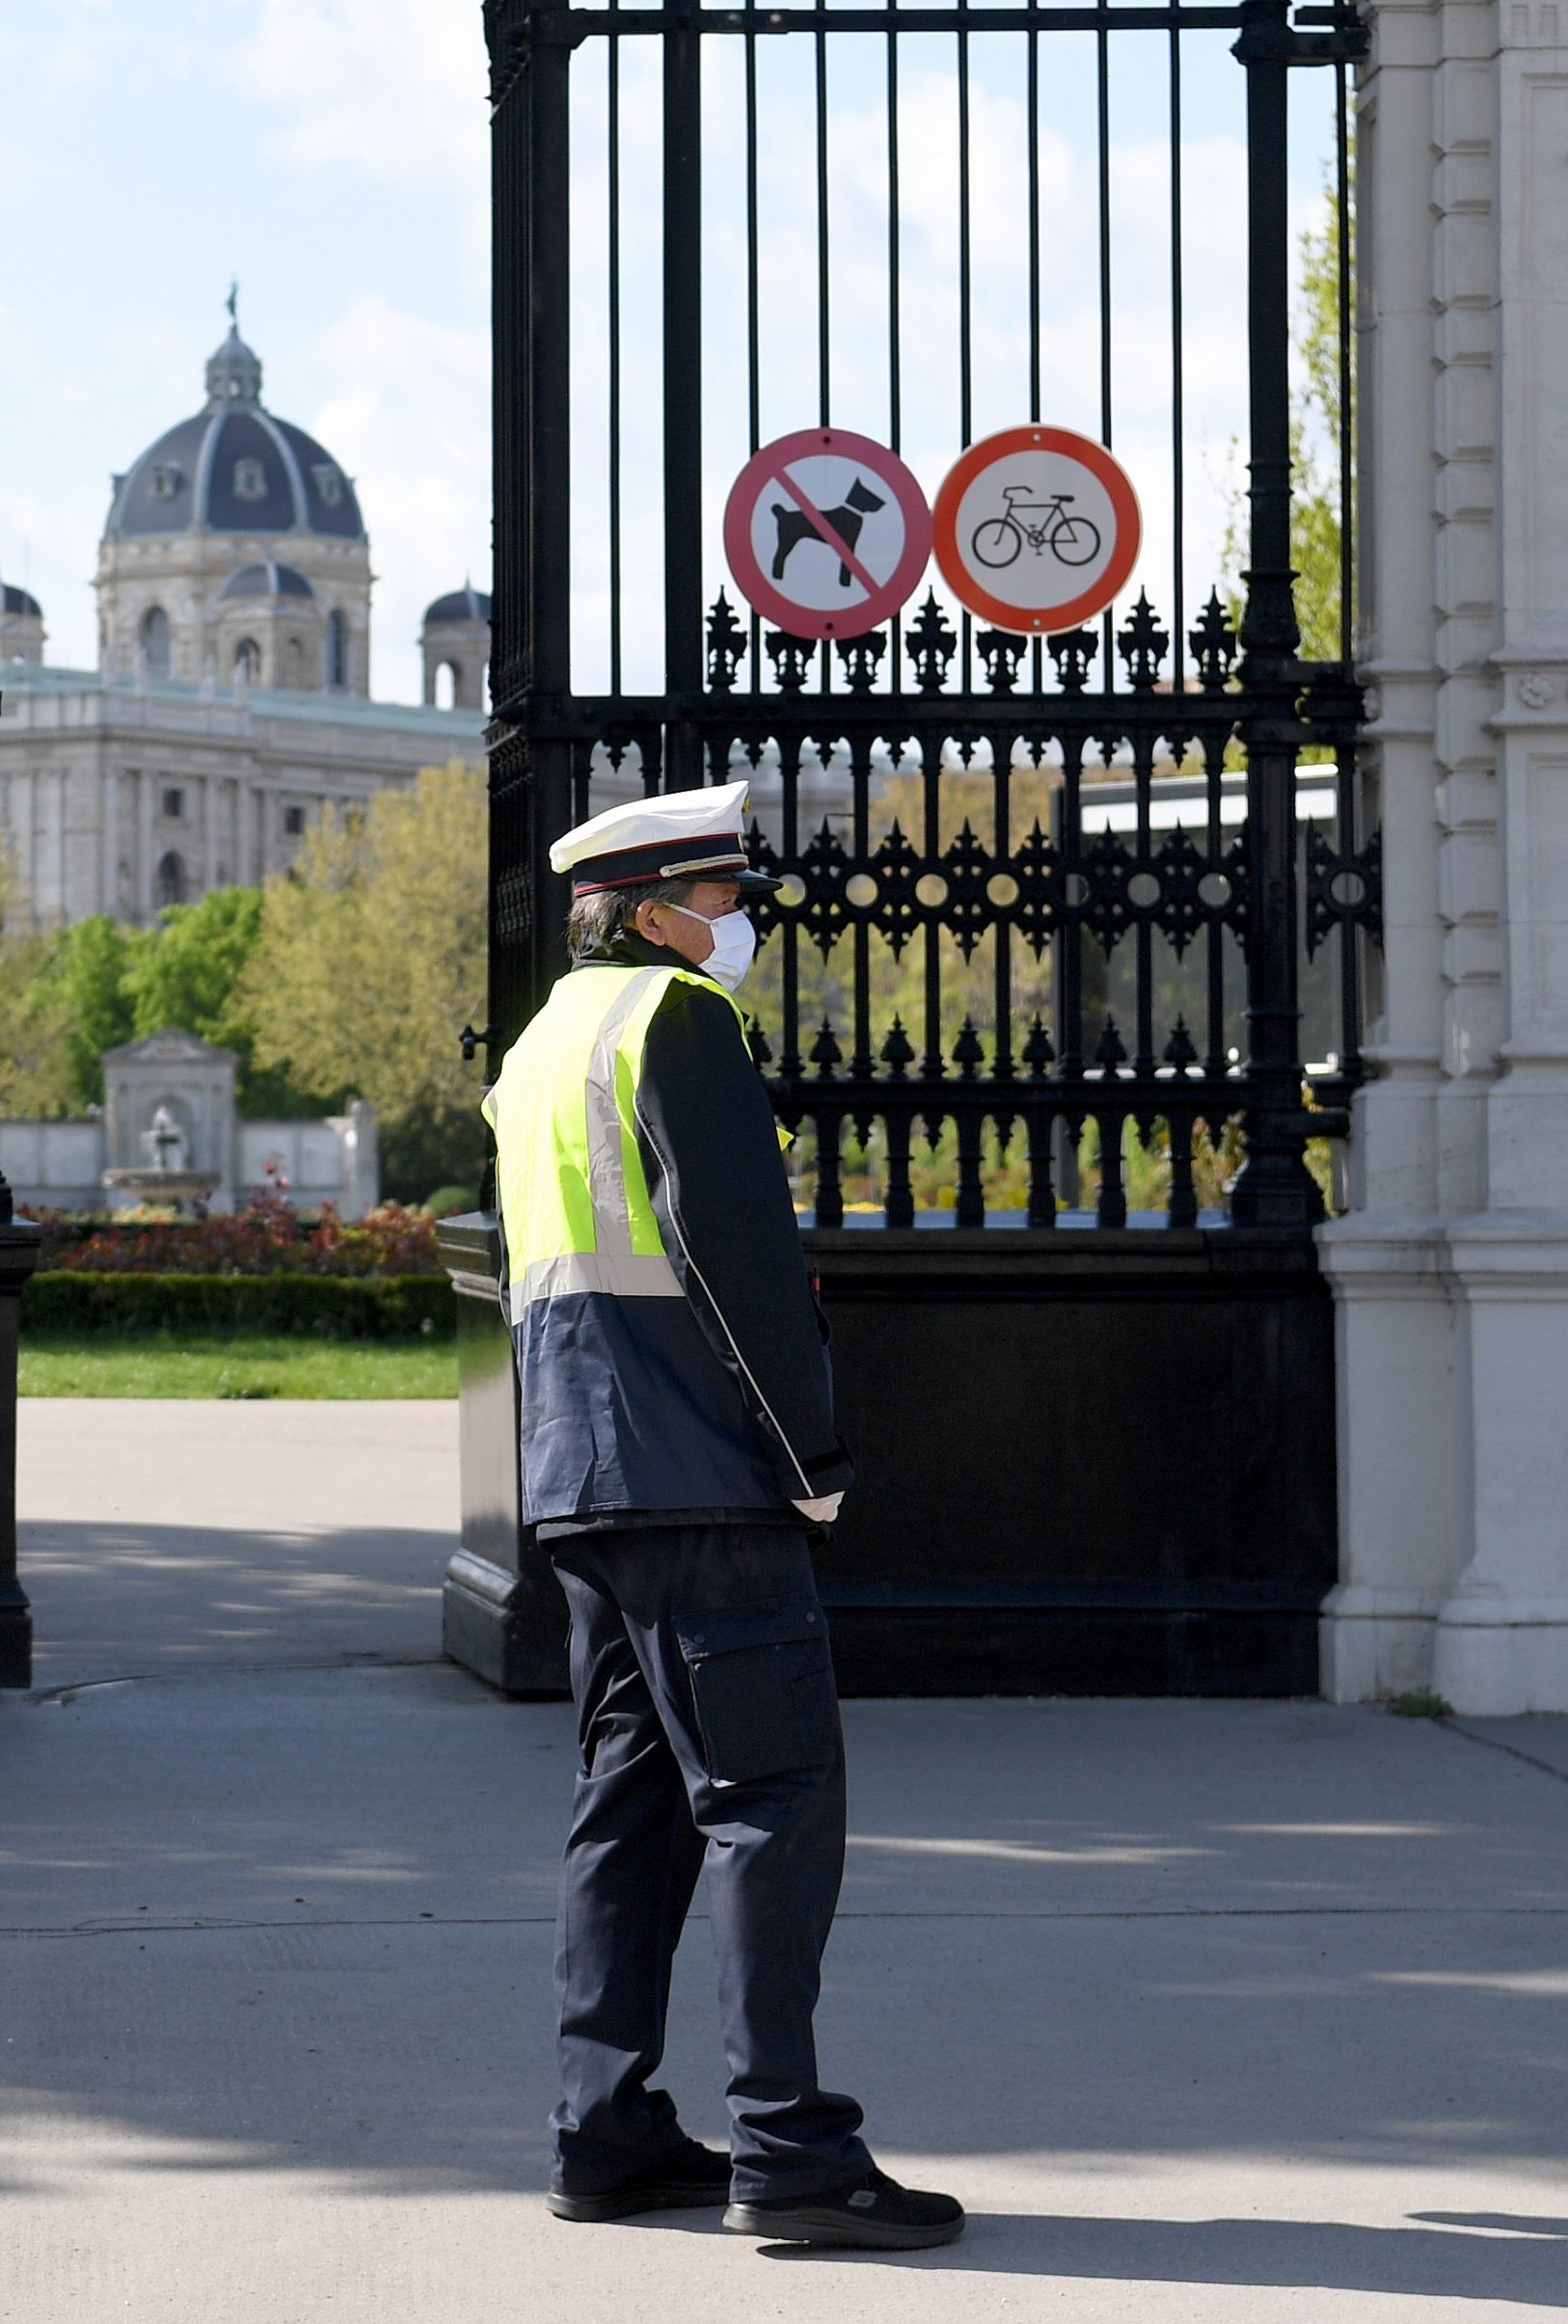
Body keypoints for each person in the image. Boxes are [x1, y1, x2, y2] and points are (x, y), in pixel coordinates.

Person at [484, 777, 962, 2250]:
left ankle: (606, 2127)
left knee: (628, 1811)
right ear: (651, 910)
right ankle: (791, 2151)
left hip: (583, 1474)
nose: (739, 919)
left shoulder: (541, 1044)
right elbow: (740, 1259)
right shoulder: (673, 1023)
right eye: (724, 896)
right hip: (702, 1470)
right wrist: (808, 1454)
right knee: (770, 1799)